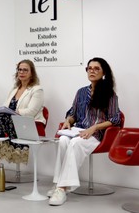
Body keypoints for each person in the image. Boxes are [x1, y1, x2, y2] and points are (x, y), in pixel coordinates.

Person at [48, 57, 121, 206]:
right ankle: (57, 184)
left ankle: (61, 189)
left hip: (96, 135)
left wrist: (94, 127)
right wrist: (68, 121)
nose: (92, 71)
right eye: (89, 68)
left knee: (75, 143)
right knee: (62, 140)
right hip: (77, 130)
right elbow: (73, 113)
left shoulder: (110, 94)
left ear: (103, 72)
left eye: (96, 68)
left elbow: (115, 119)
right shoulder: (81, 92)